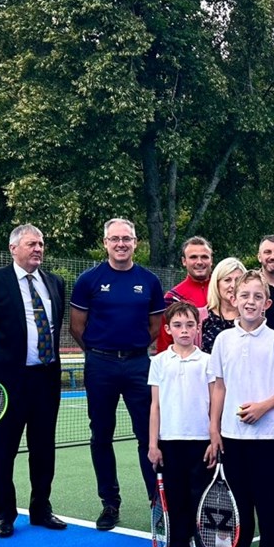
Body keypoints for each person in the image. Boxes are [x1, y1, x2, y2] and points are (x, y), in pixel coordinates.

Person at [69, 218, 165, 529]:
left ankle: (157, 502)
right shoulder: (89, 280)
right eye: (115, 239)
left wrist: (131, 350)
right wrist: (101, 353)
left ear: (136, 242)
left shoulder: (149, 281)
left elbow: (155, 327)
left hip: (139, 365)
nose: (121, 244)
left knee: (148, 435)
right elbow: (76, 327)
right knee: (101, 435)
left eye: (127, 238)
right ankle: (110, 503)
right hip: (100, 366)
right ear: (105, 242)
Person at [0, 224, 67, 538]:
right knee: (4, 449)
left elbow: (54, 327)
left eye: (41, 244)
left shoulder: (55, 283)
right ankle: (3, 513)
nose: (38, 249)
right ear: (14, 248)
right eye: (31, 244)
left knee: (44, 447)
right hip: (7, 382)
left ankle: (41, 508)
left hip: (46, 379)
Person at [207, 271, 274, 547]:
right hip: (231, 436)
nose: (250, 302)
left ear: (267, 304)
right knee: (239, 502)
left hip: (266, 437)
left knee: (266, 502)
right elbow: (219, 386)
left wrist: (263, 407)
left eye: (258, 297)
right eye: (245, 296)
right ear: (234, 299)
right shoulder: (223, 340)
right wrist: (215, 429)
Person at [148, 301, 217, 547]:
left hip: (200, 442)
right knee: (175, 500)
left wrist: (214, 439)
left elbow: (215, 404)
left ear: (197, 328)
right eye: (177, 325)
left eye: (190, 324)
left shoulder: (208, 361)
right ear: (168, 329)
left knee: (201, 499)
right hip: (169, 442)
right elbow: (155, 406)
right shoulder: (159, 362)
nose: (184, 330)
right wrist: (153, 444)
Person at [155, 236, 213, 352]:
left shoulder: (225, 291)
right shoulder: (172, 298)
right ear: (184, 261)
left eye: (204, 257)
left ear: (211, 260)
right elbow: (165, 342)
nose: (199, 262)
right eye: (193, 257)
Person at [201, 257, 246, 353]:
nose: (233, 285)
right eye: (227, 280)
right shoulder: (200, 317)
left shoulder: (252, 318)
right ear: (216, 284)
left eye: (238, 280)